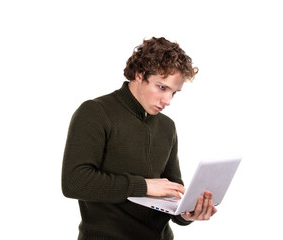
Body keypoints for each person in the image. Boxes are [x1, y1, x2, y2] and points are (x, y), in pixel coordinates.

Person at [61, 37, 217, 239]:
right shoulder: (95, 112)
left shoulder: (167, 126)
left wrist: (187, 213)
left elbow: (171, 191)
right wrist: (143, 186)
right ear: (139, 74)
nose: (167, 101)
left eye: (174, 92)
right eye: (162, 87)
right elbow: (75, 182)